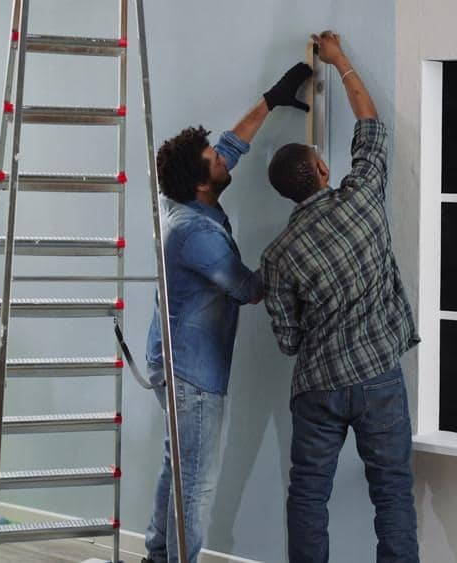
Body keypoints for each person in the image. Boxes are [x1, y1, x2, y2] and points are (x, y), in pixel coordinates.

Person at [262, 31, 421, 563]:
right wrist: (340, 60)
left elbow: (287, 340)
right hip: (378, 374)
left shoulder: (278, 254)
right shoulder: (362, 200)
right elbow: (370, 125)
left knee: (308, 495)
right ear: (323, 170)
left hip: (318, 386)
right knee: (393, 491)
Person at [144, 62, 312, 563]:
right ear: (201, 183)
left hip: (174, 360)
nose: (223, 156)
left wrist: (272, 98)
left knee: (178, 468)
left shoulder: (181, 199)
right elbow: (250, 289)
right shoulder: (196, 235)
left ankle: (156, 555)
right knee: (195, 485)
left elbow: (231, 144)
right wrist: (303, 239)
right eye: (213, 158)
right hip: (192, 374)